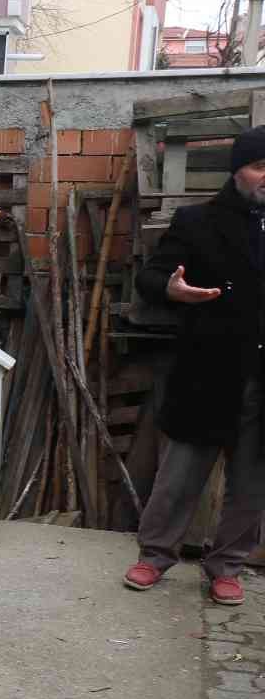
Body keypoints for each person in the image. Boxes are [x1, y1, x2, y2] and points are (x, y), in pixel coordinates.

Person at [122, 127, 265, 606]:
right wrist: (173, 290)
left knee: (252, 481)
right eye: (260, 166)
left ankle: (227, 565)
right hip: (210, 368)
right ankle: (155, 554)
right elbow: (150, 276)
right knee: (181, 472)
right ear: (237, 171)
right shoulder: (197, 221)